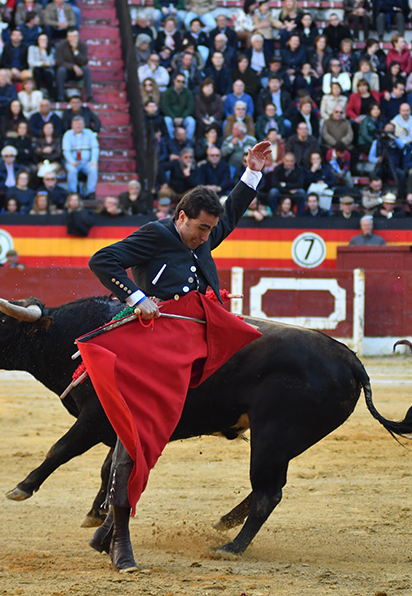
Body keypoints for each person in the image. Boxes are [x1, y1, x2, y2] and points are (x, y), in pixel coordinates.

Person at [84, 140, 271, 573]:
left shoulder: (201, 238)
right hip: (154, 346)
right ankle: (118, 539)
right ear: (181, 216)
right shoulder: (156, 235)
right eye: (200, 229)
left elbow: (234, 209)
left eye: (210, 231)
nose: (206, 238)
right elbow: (102, 260)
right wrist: (135, 296)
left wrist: (253, 172)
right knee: (138, 437)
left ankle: (108, 529)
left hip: (195, 345)